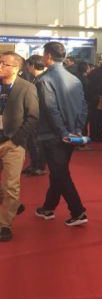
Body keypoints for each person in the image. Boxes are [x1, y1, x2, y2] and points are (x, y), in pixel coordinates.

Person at [34, 42, 89, 226]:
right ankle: (48, 207)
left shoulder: (44, 80)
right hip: (72, 133)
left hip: (53, 135)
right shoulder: (75, 79)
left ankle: (78, 211)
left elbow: (51, 110)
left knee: (60, 173)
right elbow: (84, 107)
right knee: (58, 172)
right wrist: (77, 129)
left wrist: (63, 132)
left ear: (48, 56)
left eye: (44, 54)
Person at [0, 52, 39, 241]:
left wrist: (15, 140)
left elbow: (33, 117)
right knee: (6, 189)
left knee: (11, 185)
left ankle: (4, 225)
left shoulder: (27, 88)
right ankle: (13, 204)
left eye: (3, 63)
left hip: (13, 143)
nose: (0, 66)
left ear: (15, 68)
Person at [22, 55, 47, 176]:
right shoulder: (37, 79)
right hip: (36, 115)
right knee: (33, 142)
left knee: (36, 142)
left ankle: (38, 166)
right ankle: (34, 165)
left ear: (32, 65)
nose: (27, 68)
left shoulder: (41, 80)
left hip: (38, 116)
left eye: (28, 65)